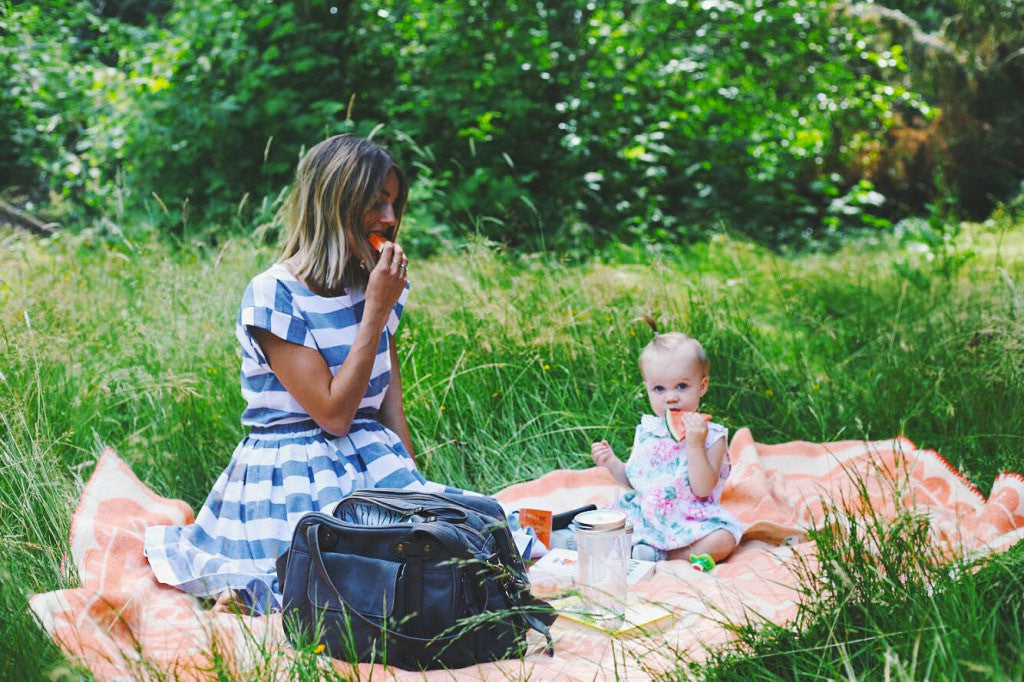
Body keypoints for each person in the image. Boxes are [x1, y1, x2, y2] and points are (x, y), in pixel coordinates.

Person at [143, 135, 464, 614]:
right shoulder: (275, 294)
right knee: (339, 583)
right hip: (292, 468)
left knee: (456, 544)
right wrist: (375, 311)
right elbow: (333, 416)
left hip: (372, 457)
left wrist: (415, 487)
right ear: (336, 202)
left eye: (394, 202)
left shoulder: (372, 284)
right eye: (377, 202)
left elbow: (388, 405)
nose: (391, 219)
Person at [587, 320, 741, 565]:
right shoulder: (648, 430)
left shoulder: (713, 436)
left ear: (702, 387)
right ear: (647, 389)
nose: (671, 397)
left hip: (690, 518)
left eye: (681, 386)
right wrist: (611, 463)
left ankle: (662, 555)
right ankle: (631, 547)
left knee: (725, 539)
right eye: (659, 389)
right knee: (598, 521)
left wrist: (695, 444)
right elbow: (634, 482)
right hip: (646, 514)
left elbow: (703, 489)